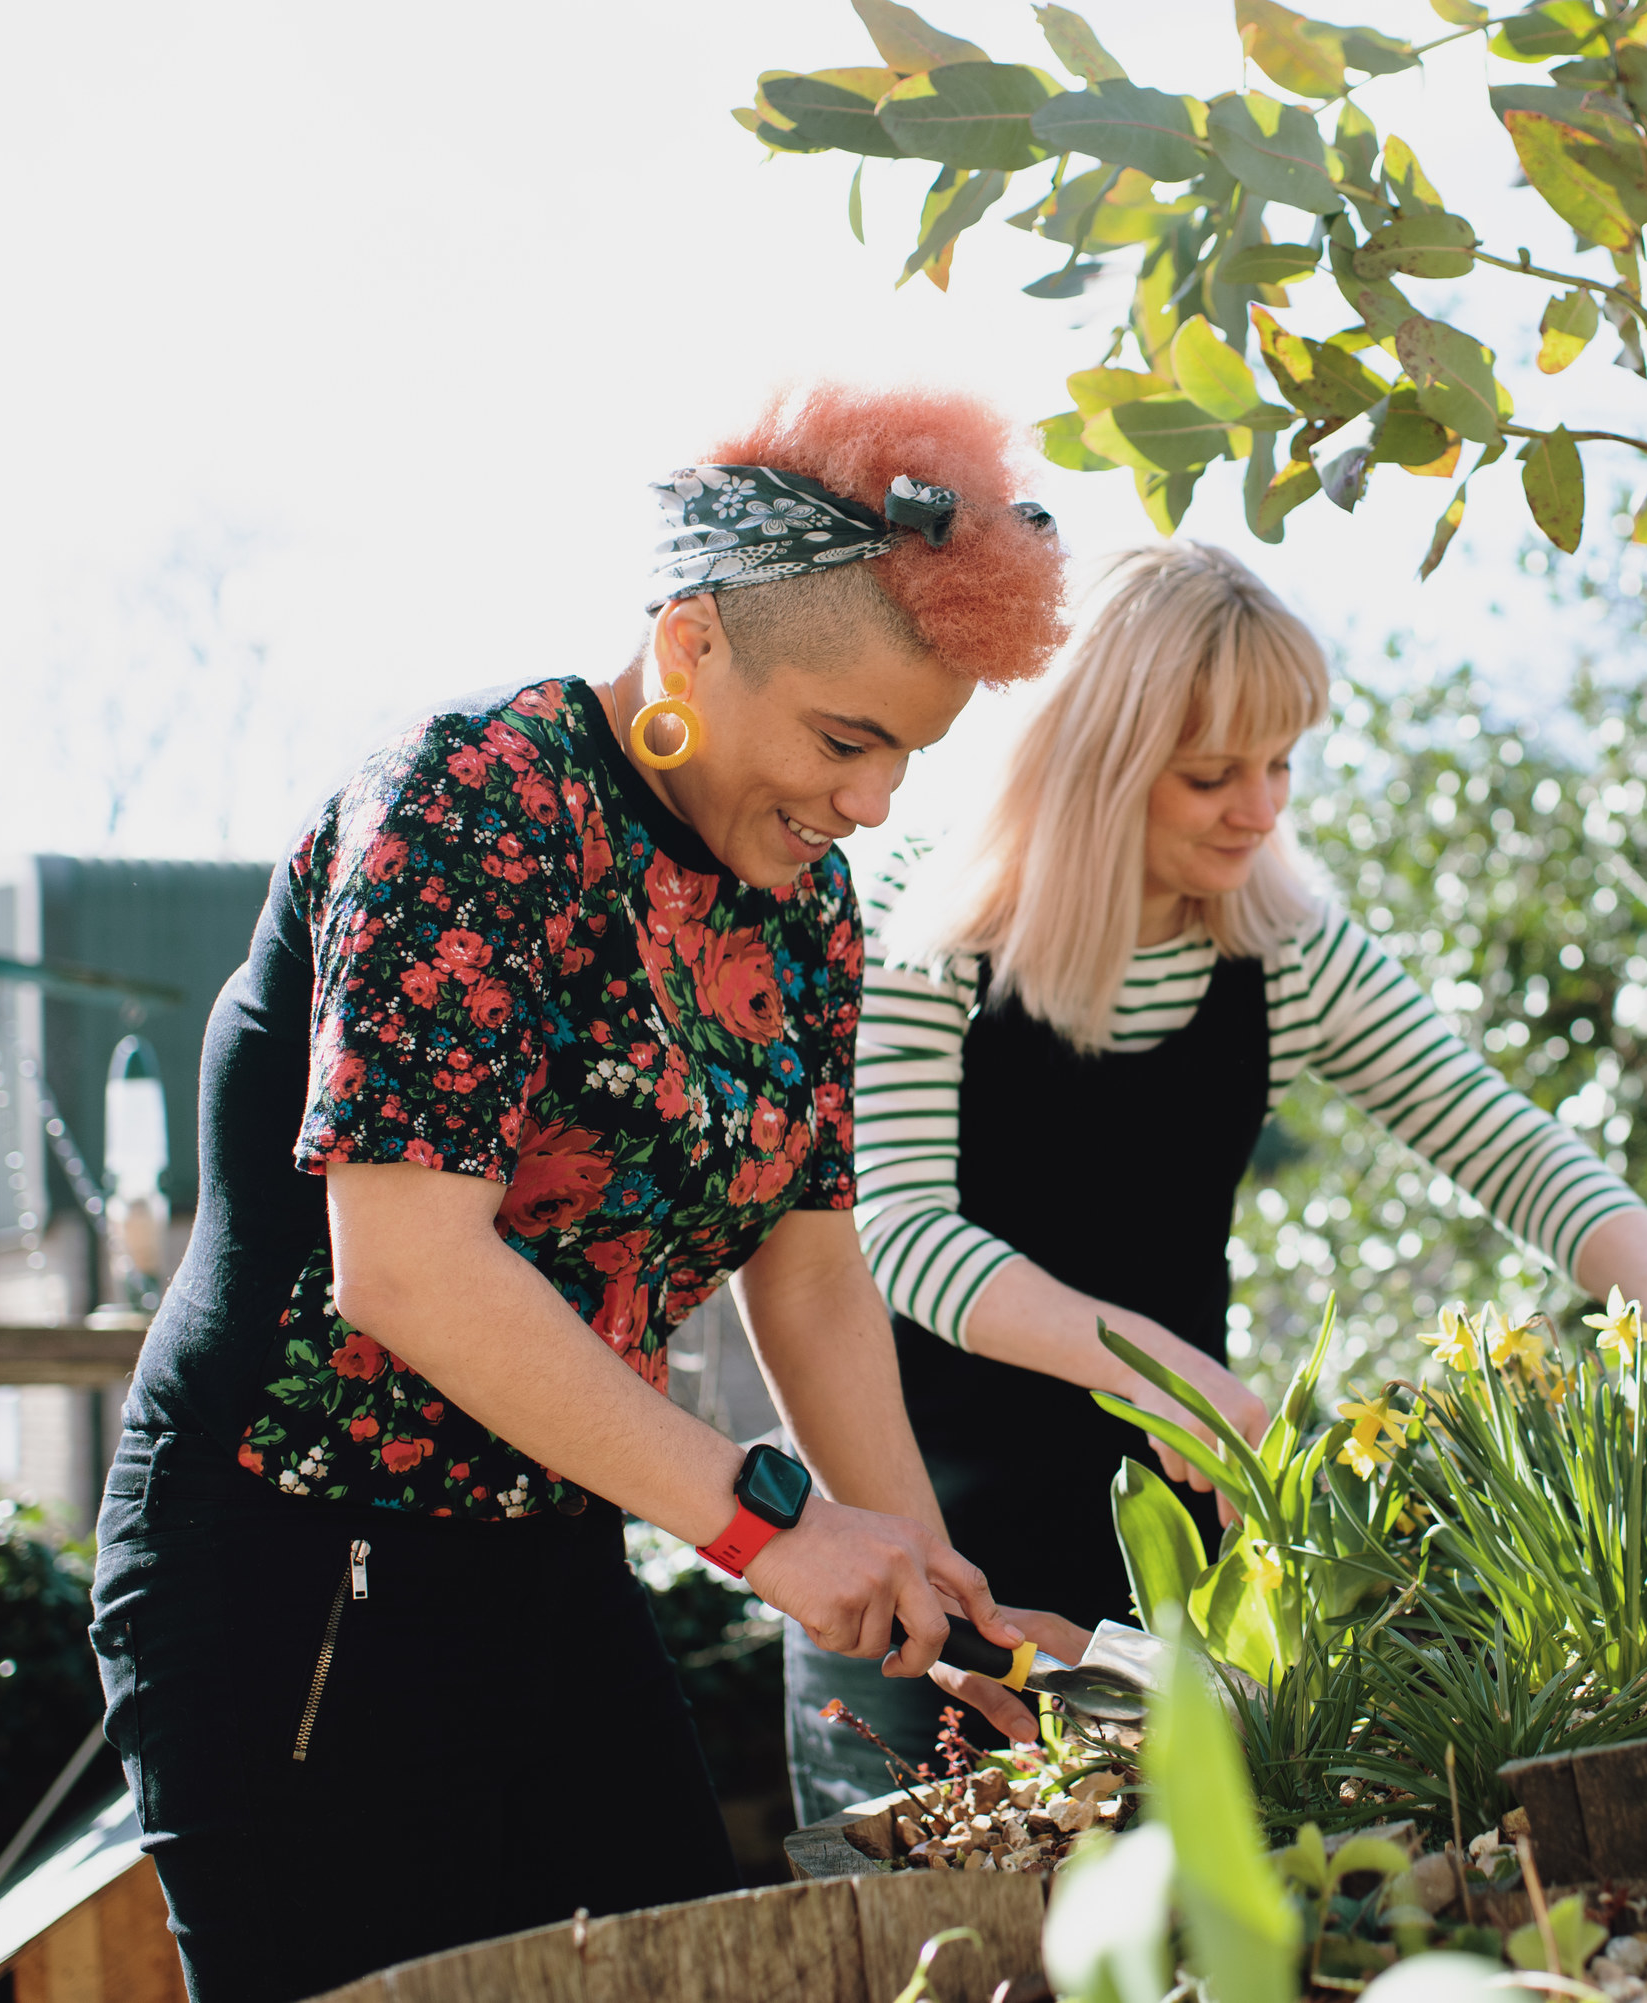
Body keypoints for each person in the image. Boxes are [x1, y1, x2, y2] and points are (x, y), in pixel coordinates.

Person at [89, 382, 1085, 2002]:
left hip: (545, 1550)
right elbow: (406, 1267)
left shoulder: (807, 904)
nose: (873, 803)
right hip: (293, 1565)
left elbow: (814, 1262)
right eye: (847, 739)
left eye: (908, 755)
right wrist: (772, 1530)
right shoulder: (470, 803)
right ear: (692, 647)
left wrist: (920, 1569)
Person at [785, 541, 1647, 1818]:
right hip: (920, 1551)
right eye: (1212, 774)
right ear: (1095, 772)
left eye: (1281, 763)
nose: (1262, 808)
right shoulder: (923, 925)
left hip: (1183, 1565)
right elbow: (898, 1232)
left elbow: (1512, 1147)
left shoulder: (1282, 948)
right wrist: (1180, 1380)